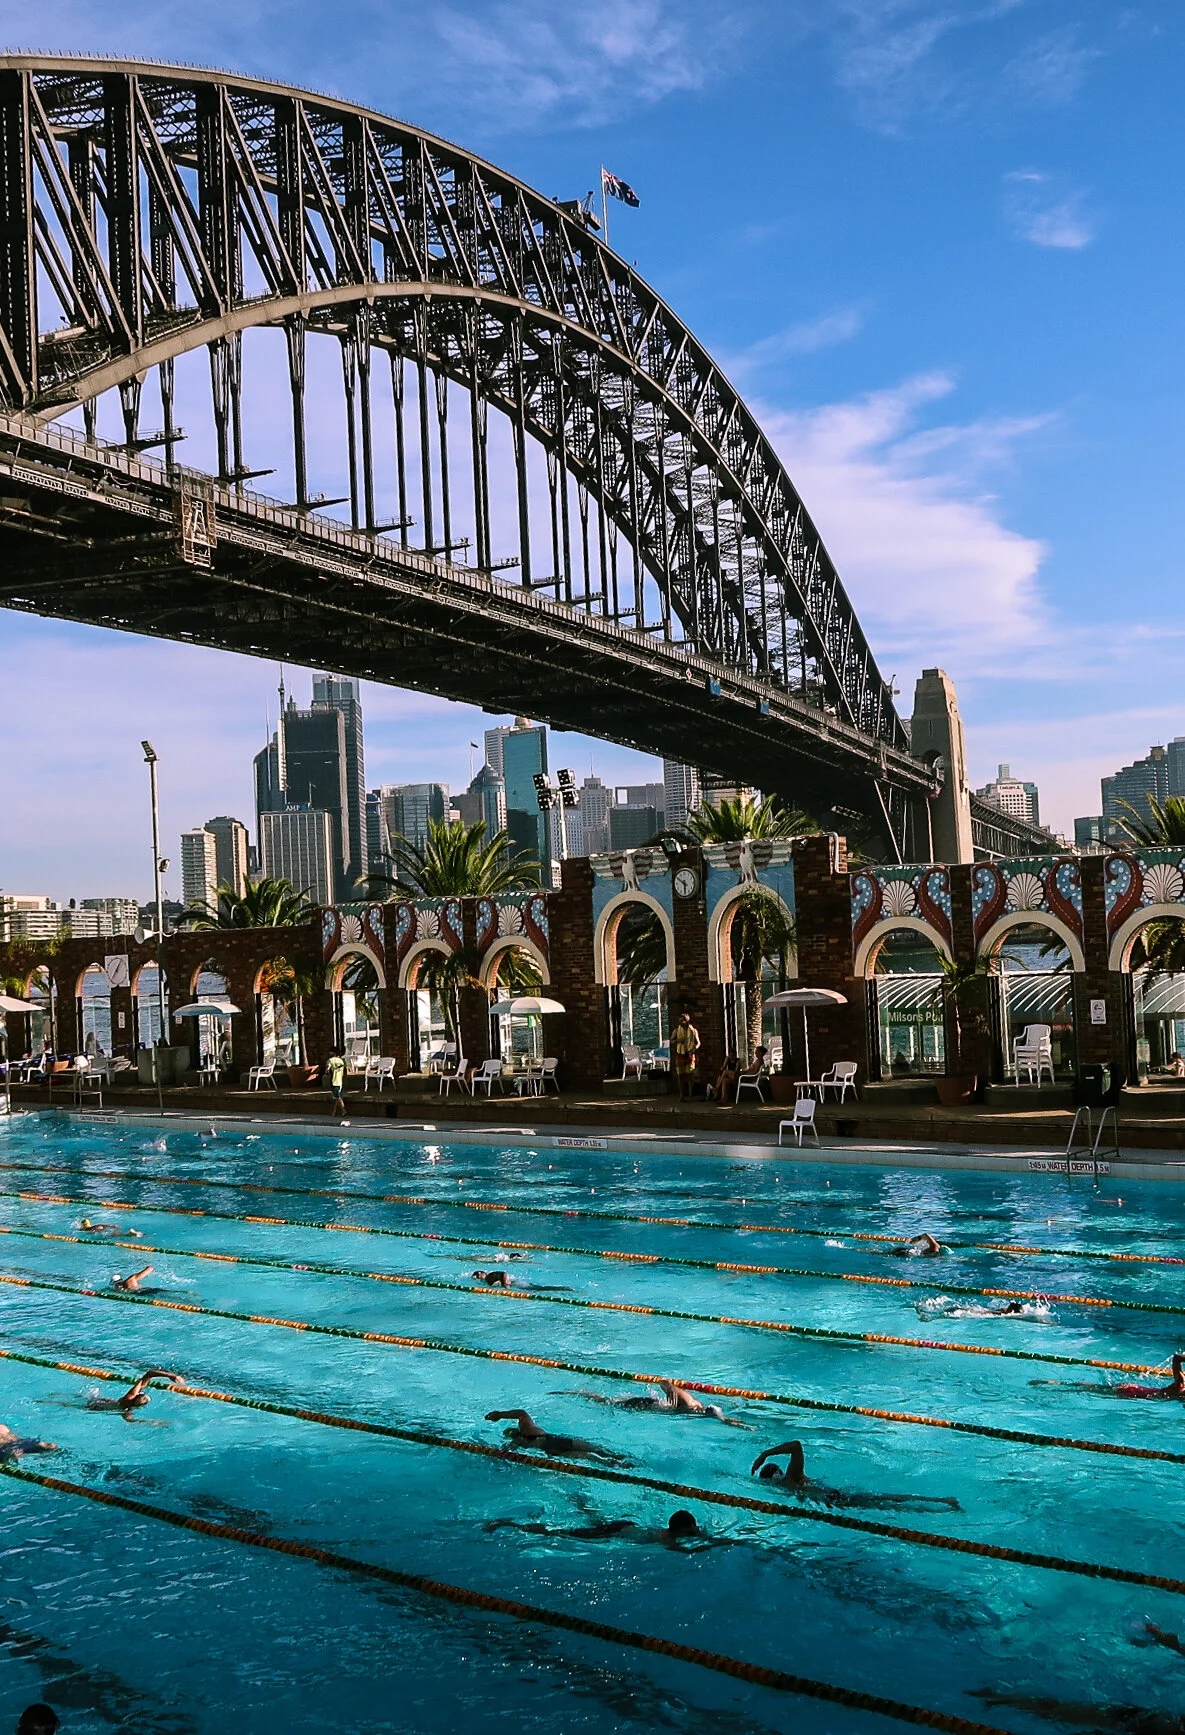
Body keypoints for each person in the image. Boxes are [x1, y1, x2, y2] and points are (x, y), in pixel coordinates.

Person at [750, 1440, 960, 1511]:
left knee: (892, 1502)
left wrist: (765, 1453)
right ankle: (941, 1502)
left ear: (773, 1477)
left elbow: (796, 1445)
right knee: (888, 1500)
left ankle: (942, 1502)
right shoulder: (789, 1481)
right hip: (837, 1497)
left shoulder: (790, 1479)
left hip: (838, 1498)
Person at [484, 1509, 725, 1551]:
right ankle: (508, 1523)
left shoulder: (669, 1533)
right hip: (615, 1533)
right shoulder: (668, 1540)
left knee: (587, 1523)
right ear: (685, 1529)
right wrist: (711, 1544)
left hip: (624, 1526)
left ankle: (583, 1505)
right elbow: (688, 1553)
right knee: (561, 1533)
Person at [565, 1379, 751, 1428]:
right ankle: (581, 1394)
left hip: (652, 1409)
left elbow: (723, 1419)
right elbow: (664, 1383)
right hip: (646, 1404)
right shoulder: (688, 1404)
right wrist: (672, 1396)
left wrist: (743, 1426)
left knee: (610, 1403)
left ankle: (583, 1394)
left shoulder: (695, 1412)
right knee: (608, 1403)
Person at [485, 1409, 629, 1464]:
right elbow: (521, 1414)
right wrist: (500, 1415)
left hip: (555, 1451)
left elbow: (503, 1453)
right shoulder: (525, 1433)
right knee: (596, 1451)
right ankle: (621, 1459)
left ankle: (618, 1464)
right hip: (560, 1442)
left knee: (591, 1457)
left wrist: (499, 1415)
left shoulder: (523, 1435)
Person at [86, 1369, 180, 1414]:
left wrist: (170, 1375)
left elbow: (149, 1373)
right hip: (101, 1406)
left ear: (138, 1395)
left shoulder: (130, 1397)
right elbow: (130, 1420)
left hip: (97, 1405)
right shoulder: (129, 1408)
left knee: (92, 1395)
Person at [1115, 1353, 1185, 1400]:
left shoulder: (1181, 1393)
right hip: (1129, 1391)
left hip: (1136, 1392)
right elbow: (1176, 1358)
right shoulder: (1180, 1385)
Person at [672, 1013, 700, 1101]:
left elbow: (698, 1042)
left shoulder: (693, 1031)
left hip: (690, 1054)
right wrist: (677, 1040)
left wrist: (694, 1049)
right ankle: (681, 1095)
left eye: (682, 1021)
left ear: (686, 1021)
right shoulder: (676, 1030)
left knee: (690, 1076)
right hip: (680, 1054)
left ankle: (691, 1095)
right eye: (680, 1021)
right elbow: (671, 1041)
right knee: (680, 1075)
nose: (681, 1023)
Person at [324, 1050, 348, 1122]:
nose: (329, 1053)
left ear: (334, 1053)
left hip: (334, 1081)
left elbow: (327, 1069)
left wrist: (327, 1072)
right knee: (337, 1096)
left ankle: (344, 1110)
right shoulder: (342, 1060)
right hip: (341, 1080)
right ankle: (334, 1112)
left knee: (338, 1096)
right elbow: (345, 1071)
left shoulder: (330, 1060)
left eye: (330, 1052)